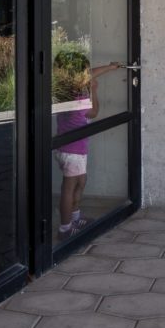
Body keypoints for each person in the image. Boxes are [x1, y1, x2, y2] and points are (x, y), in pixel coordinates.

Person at [52, 53, 122, 239]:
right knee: (71, 188)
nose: (88, 74)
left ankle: (75, 218)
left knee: (80, 182)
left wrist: (109, 66)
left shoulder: (64, 88)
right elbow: (93, 113)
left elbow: (92, 73)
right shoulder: (79, 95)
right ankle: (65, 228)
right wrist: (94, 91)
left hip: (66, 147)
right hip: (73, 149)